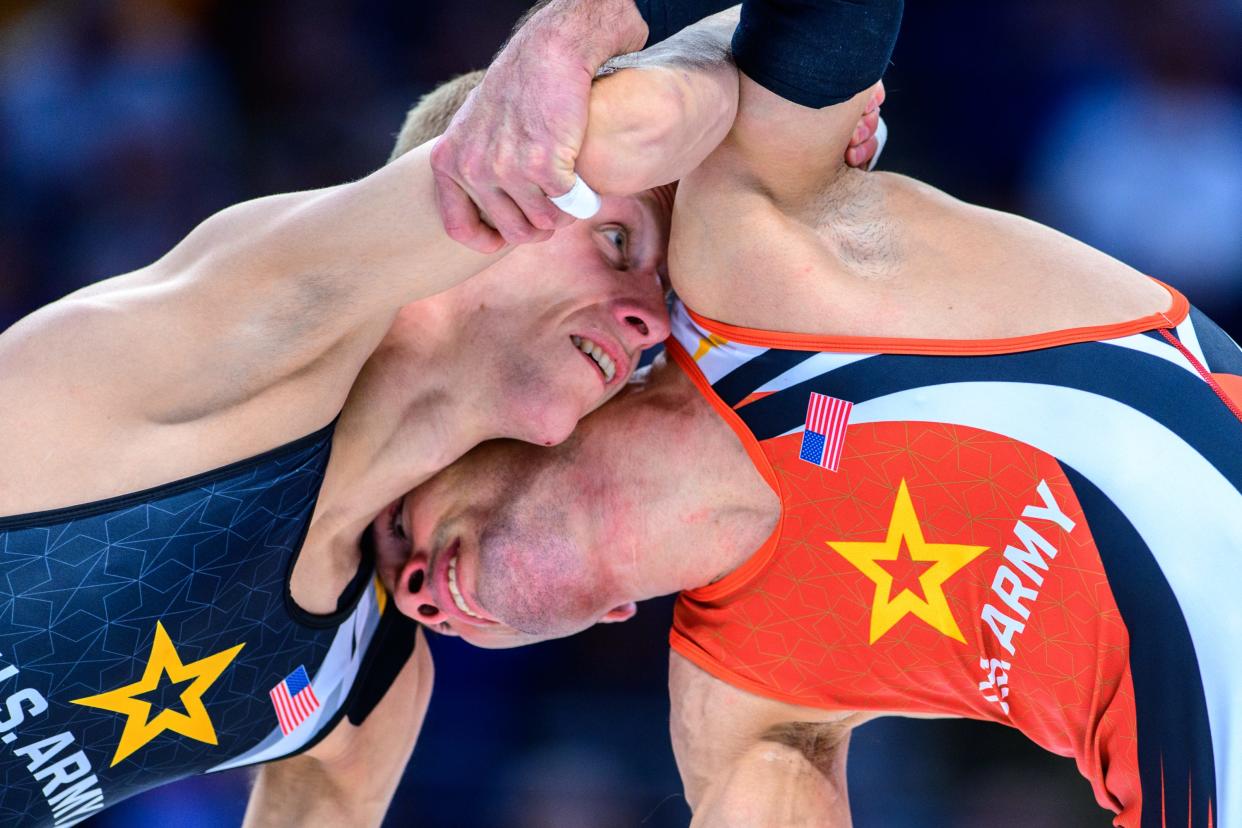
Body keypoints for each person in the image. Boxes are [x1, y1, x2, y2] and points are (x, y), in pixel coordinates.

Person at [0, 5, 884, 824]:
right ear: (501, 182)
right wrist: (778, 131)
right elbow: (625, 129)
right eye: (619, 244)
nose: (648, 319)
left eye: (656, 320)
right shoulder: (230, 342)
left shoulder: (369, 676)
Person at [400, 4, 1242, 826]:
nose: (409, 587)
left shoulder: (751, 274)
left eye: (398, 519)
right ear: (608, 618)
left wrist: (577, 29)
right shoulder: (740, 704)